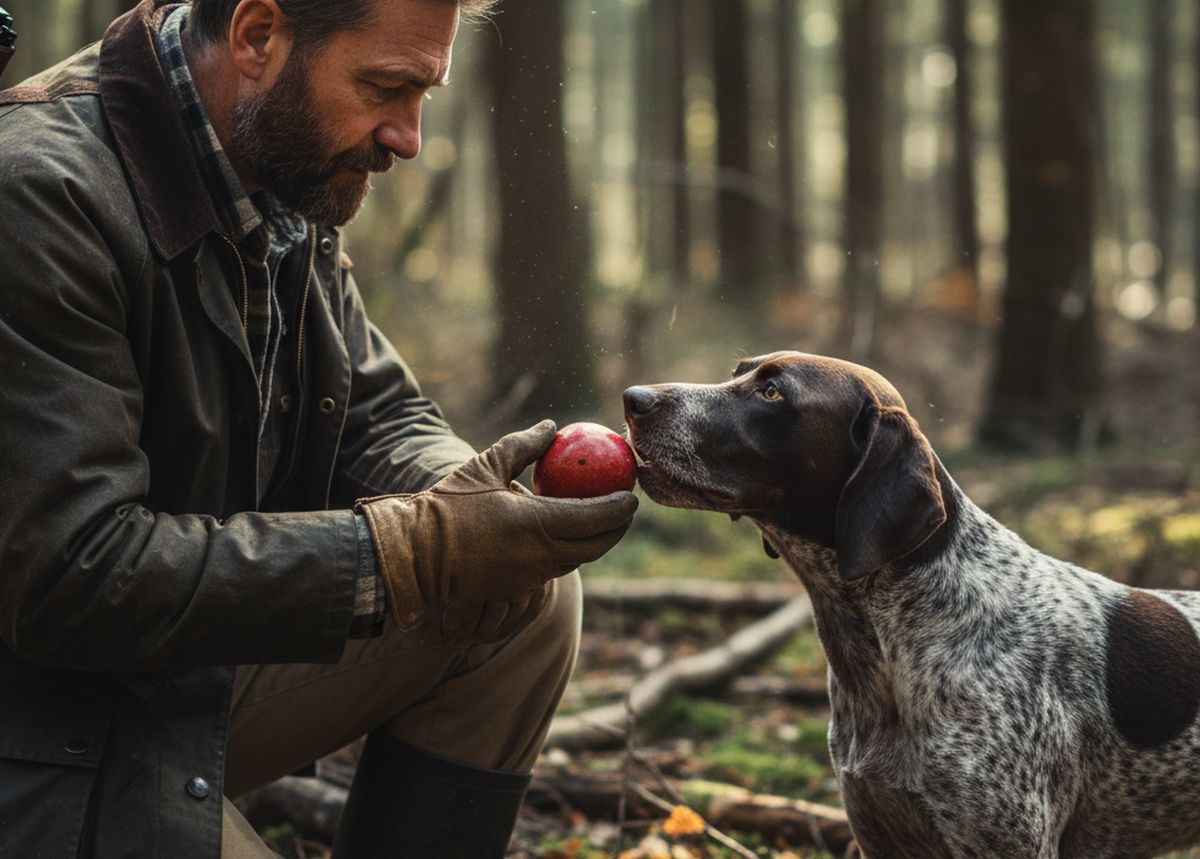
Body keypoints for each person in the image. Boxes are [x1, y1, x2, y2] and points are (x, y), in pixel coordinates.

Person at [0, 0, 639, 856]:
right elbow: (70, 577)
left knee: (521, 597)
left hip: (167, 676)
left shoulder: (273, 158)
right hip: (43, 720)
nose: (408, 137)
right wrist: (413, 552)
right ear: (259, 36)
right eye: (386, 86)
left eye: (424, 93)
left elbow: (377, 412)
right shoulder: (42, 195)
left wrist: (471, 500)